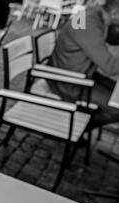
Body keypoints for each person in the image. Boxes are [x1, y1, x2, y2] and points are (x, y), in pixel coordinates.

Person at [48, 0, 119, 129]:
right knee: (117, 108)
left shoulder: (90, 13)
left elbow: (105, 37)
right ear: (114, 13)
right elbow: (110, 67)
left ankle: (81, 117)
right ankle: (75, 129)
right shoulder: (89, 25)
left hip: (74, 71)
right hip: (67, 81)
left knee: (116, 93)